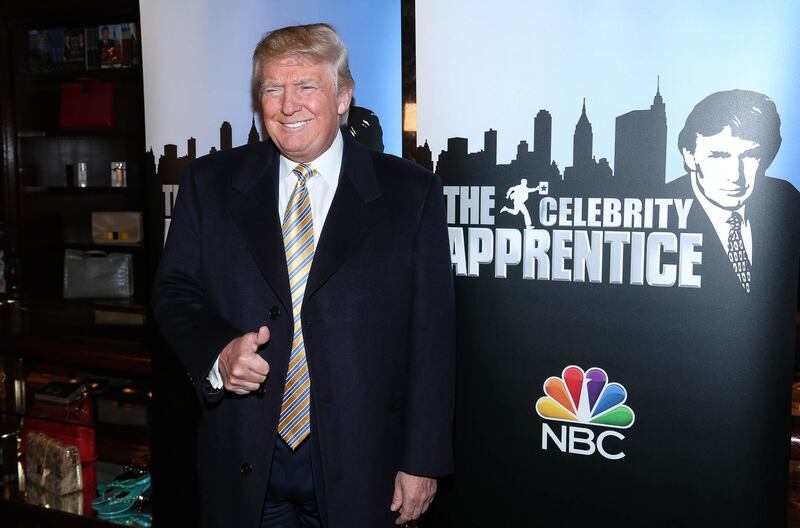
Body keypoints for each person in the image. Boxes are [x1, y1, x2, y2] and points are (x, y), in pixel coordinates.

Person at [152, 23, 455, 527]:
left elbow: (432, 337)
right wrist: (218, 351)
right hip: (243, 456)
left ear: (343, 97)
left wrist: (421, 460)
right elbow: (173, 292)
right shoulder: (210, 184)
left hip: (362, 462)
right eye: (273, 88)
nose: (288, 104)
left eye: (306, 86)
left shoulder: (410, 194)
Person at [670, 89, 798, 298]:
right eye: (719, 156)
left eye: (750, 156)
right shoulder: (658, 206)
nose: (735, 175)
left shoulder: (788, 201)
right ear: (690, 156)